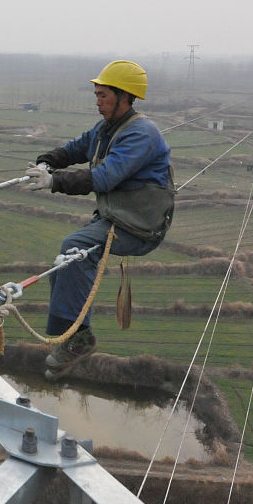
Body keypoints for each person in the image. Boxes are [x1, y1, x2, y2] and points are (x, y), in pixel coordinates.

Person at [22, 61, 174, 381]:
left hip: (139, 226)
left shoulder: (141, 134)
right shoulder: (107, 129)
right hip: (118, 217)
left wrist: (54, 182)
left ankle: (78, 339)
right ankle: (70, 336)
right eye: (97, 94)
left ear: (124, 96)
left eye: (103, 95)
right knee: (67, 261)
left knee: (75, 248)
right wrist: (48, 161)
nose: (98, 101)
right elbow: (78, 147)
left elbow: (105, 177)